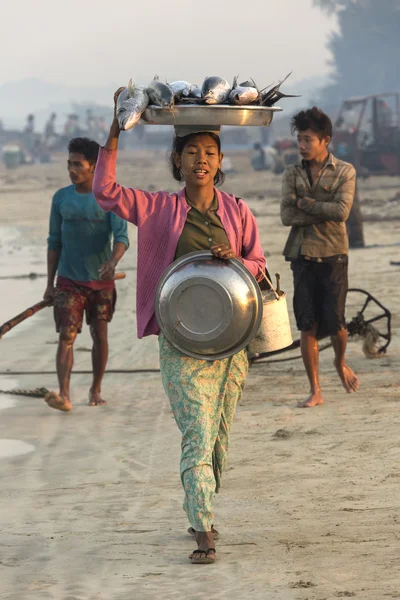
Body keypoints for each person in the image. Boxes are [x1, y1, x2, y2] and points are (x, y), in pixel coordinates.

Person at [92, 88, 267, 564]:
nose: (201, 160)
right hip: (180, 343)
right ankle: (204, 529)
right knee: (196, 429)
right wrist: (115, 128)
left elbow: (259, 262)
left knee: (219, 436)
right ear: (177, 159)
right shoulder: (157, 209)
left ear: (220, 159)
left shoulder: (237, 212)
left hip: (231, 347)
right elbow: (105, 192)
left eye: (210, 152)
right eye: (192, 152)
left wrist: (239, 262)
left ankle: (201, 508)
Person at [280, 107, 359, 409]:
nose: (301, 145)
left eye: (308, 139)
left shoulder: (345, 171)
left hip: (333, 254)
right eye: (299, 138)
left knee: (337, 322)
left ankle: (340, 363)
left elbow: (342, 212)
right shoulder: (292, 172)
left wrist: (304, 202)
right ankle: (315, 388)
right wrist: (317, 207)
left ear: (325, 140)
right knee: (306, 324)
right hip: (301, 255)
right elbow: (287, 216)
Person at [44, 137, 129, 412]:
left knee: (99, 334)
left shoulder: (107, 197)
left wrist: (113, 261)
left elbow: (122, 237)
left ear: (93, 166)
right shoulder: (61, 198)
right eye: (69, 163)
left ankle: (96, 389)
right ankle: (64, 394)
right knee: (66, 335)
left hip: (101, 282)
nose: (71, 169)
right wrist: (49, 284)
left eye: (77, 164)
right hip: (68, 281)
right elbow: (54, 242)